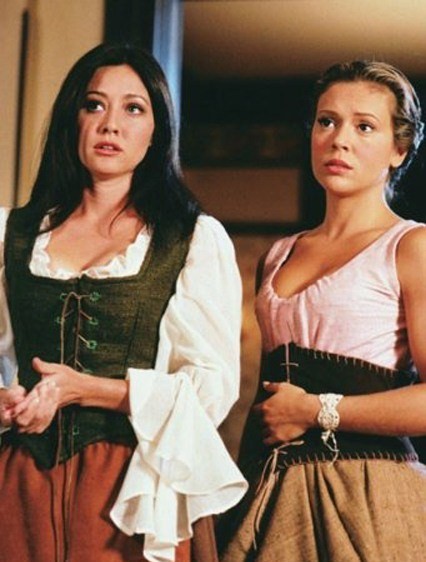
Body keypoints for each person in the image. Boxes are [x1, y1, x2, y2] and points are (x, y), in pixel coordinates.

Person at [0, 43, 247, 562]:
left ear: (157, 131)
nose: (110, 124)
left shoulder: (190, 240)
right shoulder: (13, 234)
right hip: (19, 483)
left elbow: (211, 388)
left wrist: (88, 389)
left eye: (133, 108)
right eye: (94, 105)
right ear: (72, 120)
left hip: (131, 488)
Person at [218, 60, 426, 562]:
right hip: (273, 493)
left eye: (364, 126)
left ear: (398, 150)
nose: (339, 140)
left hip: (370, 497)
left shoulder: (411, 246)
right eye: (326, 121)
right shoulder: (277, 255)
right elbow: (265, 408)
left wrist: (316, 409)